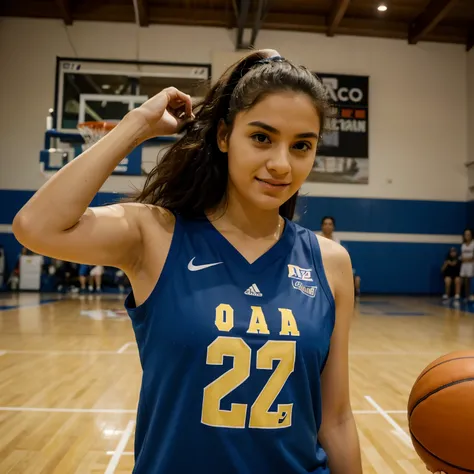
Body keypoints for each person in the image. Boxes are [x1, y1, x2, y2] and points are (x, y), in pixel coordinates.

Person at [12, 49, 365, 473]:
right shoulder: (155, 234)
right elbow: (35, 226)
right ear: (222, 137)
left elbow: (338, 419)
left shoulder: (330, 262)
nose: (280, 164)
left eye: (301, 146)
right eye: (261, 137)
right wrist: (137, 125)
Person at [460, 228, 474, 302]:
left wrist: (468, 259)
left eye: (468, 234)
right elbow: (462, 256)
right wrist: (464, 259)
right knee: (464, 280)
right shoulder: (463, 245)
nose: (467, 236)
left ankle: (471, 295)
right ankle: (466, 296)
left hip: (471, 265)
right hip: (464, 265)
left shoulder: (473, 244)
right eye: (465, 234)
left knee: (470, 280)